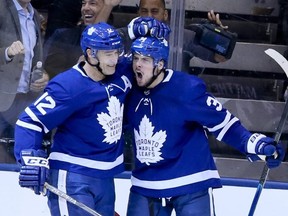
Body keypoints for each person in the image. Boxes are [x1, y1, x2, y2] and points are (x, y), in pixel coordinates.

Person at [124, 36, 285, 216]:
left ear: (160, 64)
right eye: (135, 58)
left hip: (190, 184)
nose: (137, 64)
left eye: (145, 60)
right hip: (145, 185)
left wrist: (255, 144)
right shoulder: (128, 87)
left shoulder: (185, 88)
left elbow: (223, 123)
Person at [14, 22, 134, 216]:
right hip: (73, 176)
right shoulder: (68, 86)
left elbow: (145, 61)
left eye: (116, 53)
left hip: (106, 177)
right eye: (107, 54)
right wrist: (29, 158)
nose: (114, 60)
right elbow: (29, 122)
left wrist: (139, 29)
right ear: (90, 53)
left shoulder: (119, 72)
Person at [118, 0, 228, 73]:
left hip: (173, 100)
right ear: (138, 13)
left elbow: (220, 57)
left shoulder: (182, 36)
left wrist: (218, 36)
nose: (149, 16)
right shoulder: (128, 34)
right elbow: (101, 43)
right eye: (144, 11)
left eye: (155, 11)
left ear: (165, 14)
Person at [0, 0, 49, 162]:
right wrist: (7, 52)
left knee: (21, 159)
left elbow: (34, 58)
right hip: (2, 99)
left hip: (24, 100)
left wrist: (41, 75)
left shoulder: (34, 15)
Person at [43, 0, 122, 78]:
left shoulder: (119, 39)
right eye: (83, 3)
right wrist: (77, 71)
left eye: (93, 3)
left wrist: (108, 5)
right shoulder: (63, 36)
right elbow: (51, 74)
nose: (85, 8)